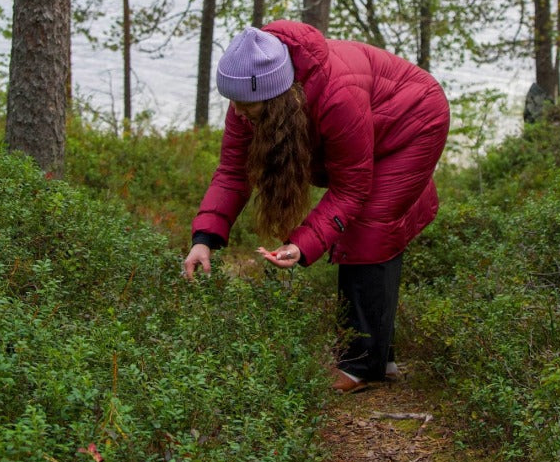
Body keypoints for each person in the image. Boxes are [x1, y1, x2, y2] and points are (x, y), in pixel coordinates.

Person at [183, 20, 451, 393]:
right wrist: (204, 239)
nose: (238, 113)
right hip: (373, 120)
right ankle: (380, 358)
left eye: (246, 106)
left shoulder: (337, 95)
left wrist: (302, 243)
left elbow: (351, 189)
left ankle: (361, 367)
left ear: (277, 97)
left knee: (370, 231)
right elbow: (233, 171)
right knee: (371, 230)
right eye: (232, 103)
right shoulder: (250, 99)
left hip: (413, 121)